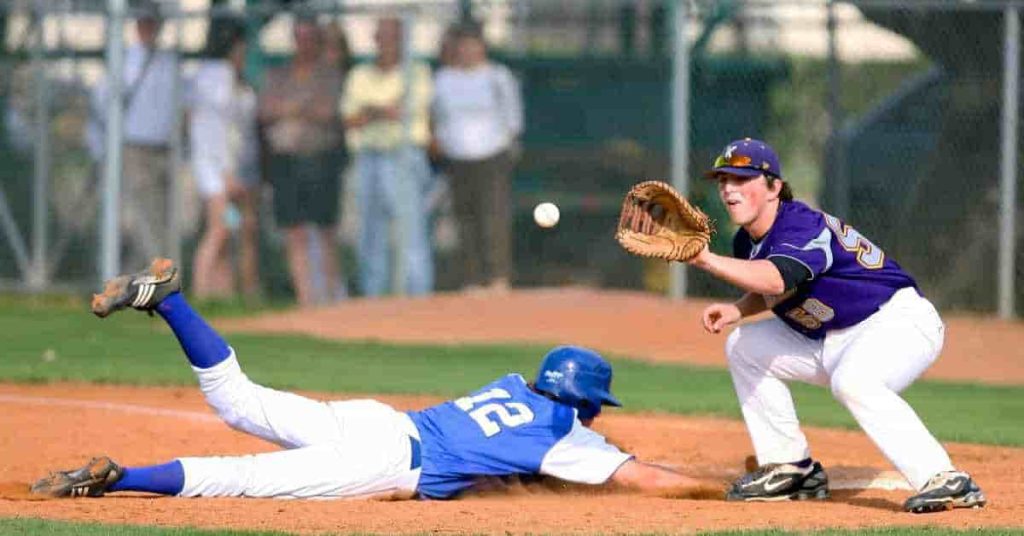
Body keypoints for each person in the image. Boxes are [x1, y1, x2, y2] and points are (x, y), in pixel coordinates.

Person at [31, 258, 716, 501]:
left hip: (378, 420)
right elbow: (642, 478)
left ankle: (169, 299)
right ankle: (119, 478)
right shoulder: (564, 436)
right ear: (585, 405)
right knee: (238, 477)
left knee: (237, 400)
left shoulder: (513, 385)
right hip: (385, 461)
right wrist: (722, 492)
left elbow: (512, 457)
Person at [687, 138, 986, 513]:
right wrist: (738, 310)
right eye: (723, 180)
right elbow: (777, 287)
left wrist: (705, 260)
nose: (729, 188)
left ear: (774, 187)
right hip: (831, 337)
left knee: (854, 381)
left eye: (741, 178)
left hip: (897, 322)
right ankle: (791, 469)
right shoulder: (746, 242)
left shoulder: (801, 225)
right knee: (744, 345)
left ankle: (945, 479)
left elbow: (779, 277)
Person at [342, 17, 434, 297]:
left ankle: (417, 298)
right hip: (368, 156)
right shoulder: (360, 74)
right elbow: (351, 119)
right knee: (370, 233)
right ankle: (373, 299)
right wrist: (379, 111)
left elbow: (405, 111)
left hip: (403, 155)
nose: (386, 42)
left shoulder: (417, 71)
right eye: (380, 36)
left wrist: (370, 111)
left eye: (392, 36)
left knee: (410, 230)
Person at [86, 0, 179, 270]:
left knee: (160, 218)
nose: (148, 28)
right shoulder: (124, 61)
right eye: (144, 23)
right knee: (145, 218)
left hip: (166, 149)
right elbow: (100, 107)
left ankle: (140, 279)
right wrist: (99, 152)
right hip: (134, 150)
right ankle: (160, 279)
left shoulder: (168, 61)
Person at [432, 22, 523, 293]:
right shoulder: (444, 78)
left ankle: (498, 277)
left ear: (482, 46)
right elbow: (437, 117)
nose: (468, 50)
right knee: (464, 218)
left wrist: (505, 144)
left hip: (492, 154)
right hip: (457, 157)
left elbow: (513, 116)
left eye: (474, 44)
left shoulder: (498, 76)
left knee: (493, 216)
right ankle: (471, 279)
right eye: (463, 45)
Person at [259, 18, 344, 306]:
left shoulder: (329, 74)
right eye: (300, 38)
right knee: (293, 231)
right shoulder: (278, 73)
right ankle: (306, 298)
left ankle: (330, 298)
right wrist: (302, 108)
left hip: (320, 159)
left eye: (310, 38)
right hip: (286, 162)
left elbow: (327, 111)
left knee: (325, 230)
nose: (304, 44)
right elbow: (266, 110)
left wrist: (290, 109)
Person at [188, 20, 260, 300]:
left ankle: (223, 293)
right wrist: (228, 173)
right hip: (218, 169)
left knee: (233, 228)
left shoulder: (227, 77)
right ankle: (202, 291)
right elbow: (220, 132)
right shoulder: (217, 78)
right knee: (219, 230)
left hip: (230, 168)